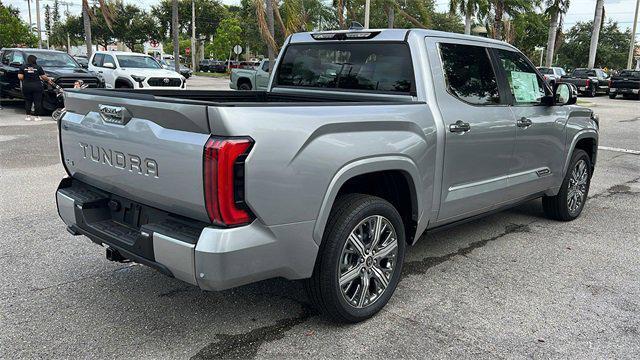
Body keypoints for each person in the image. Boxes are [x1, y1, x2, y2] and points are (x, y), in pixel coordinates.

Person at [17, 55, 52, 121]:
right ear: (34, 60)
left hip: (26, 86)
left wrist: (26, 77)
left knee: (28, 101)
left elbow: (20, 77)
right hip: (37, 86)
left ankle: (28, 116)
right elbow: (43, 77)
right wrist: (48, 80)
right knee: (37, 101)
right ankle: (37, 117)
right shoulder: (38, 67)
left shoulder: (23, 67)